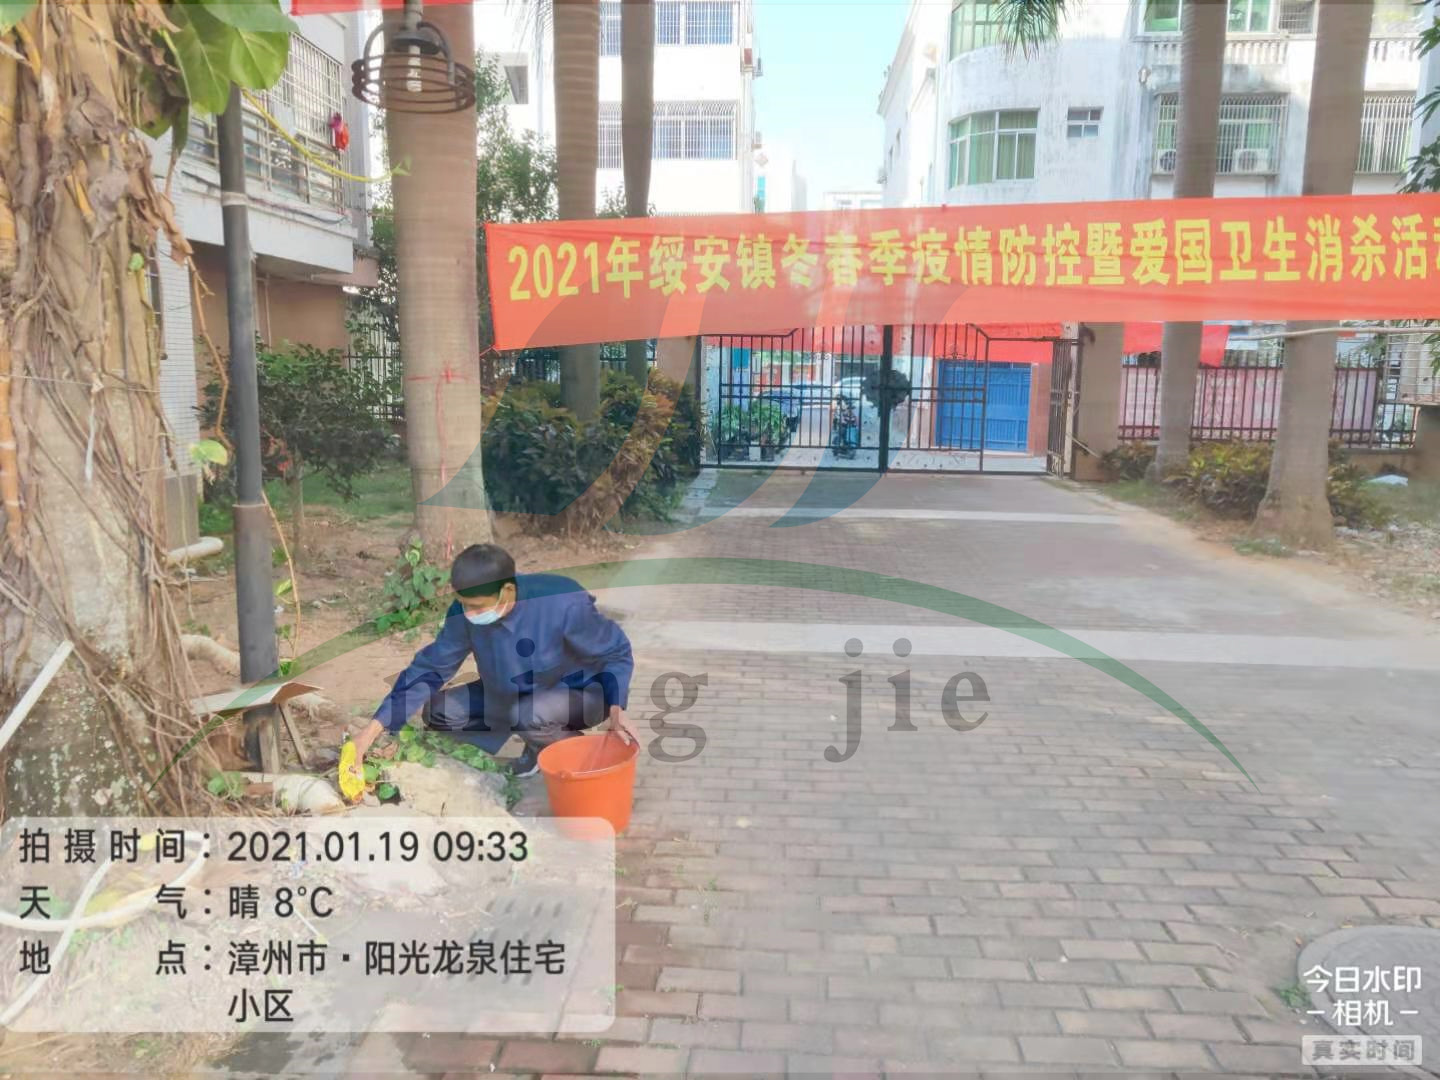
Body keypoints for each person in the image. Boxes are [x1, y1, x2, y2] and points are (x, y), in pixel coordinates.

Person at [347, 543, 638, 780]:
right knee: (440, 711)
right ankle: (536, 743)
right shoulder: (464, 613)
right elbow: (430, 669)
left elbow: (616, 652)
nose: (469, 614)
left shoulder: (561, 601)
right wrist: (371, 732)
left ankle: (587, 759)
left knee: (530, 715)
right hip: (509, 695)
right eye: (463, 604)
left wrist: (617, 710)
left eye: (476, 607)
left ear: (507, 591)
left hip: (579, 694)